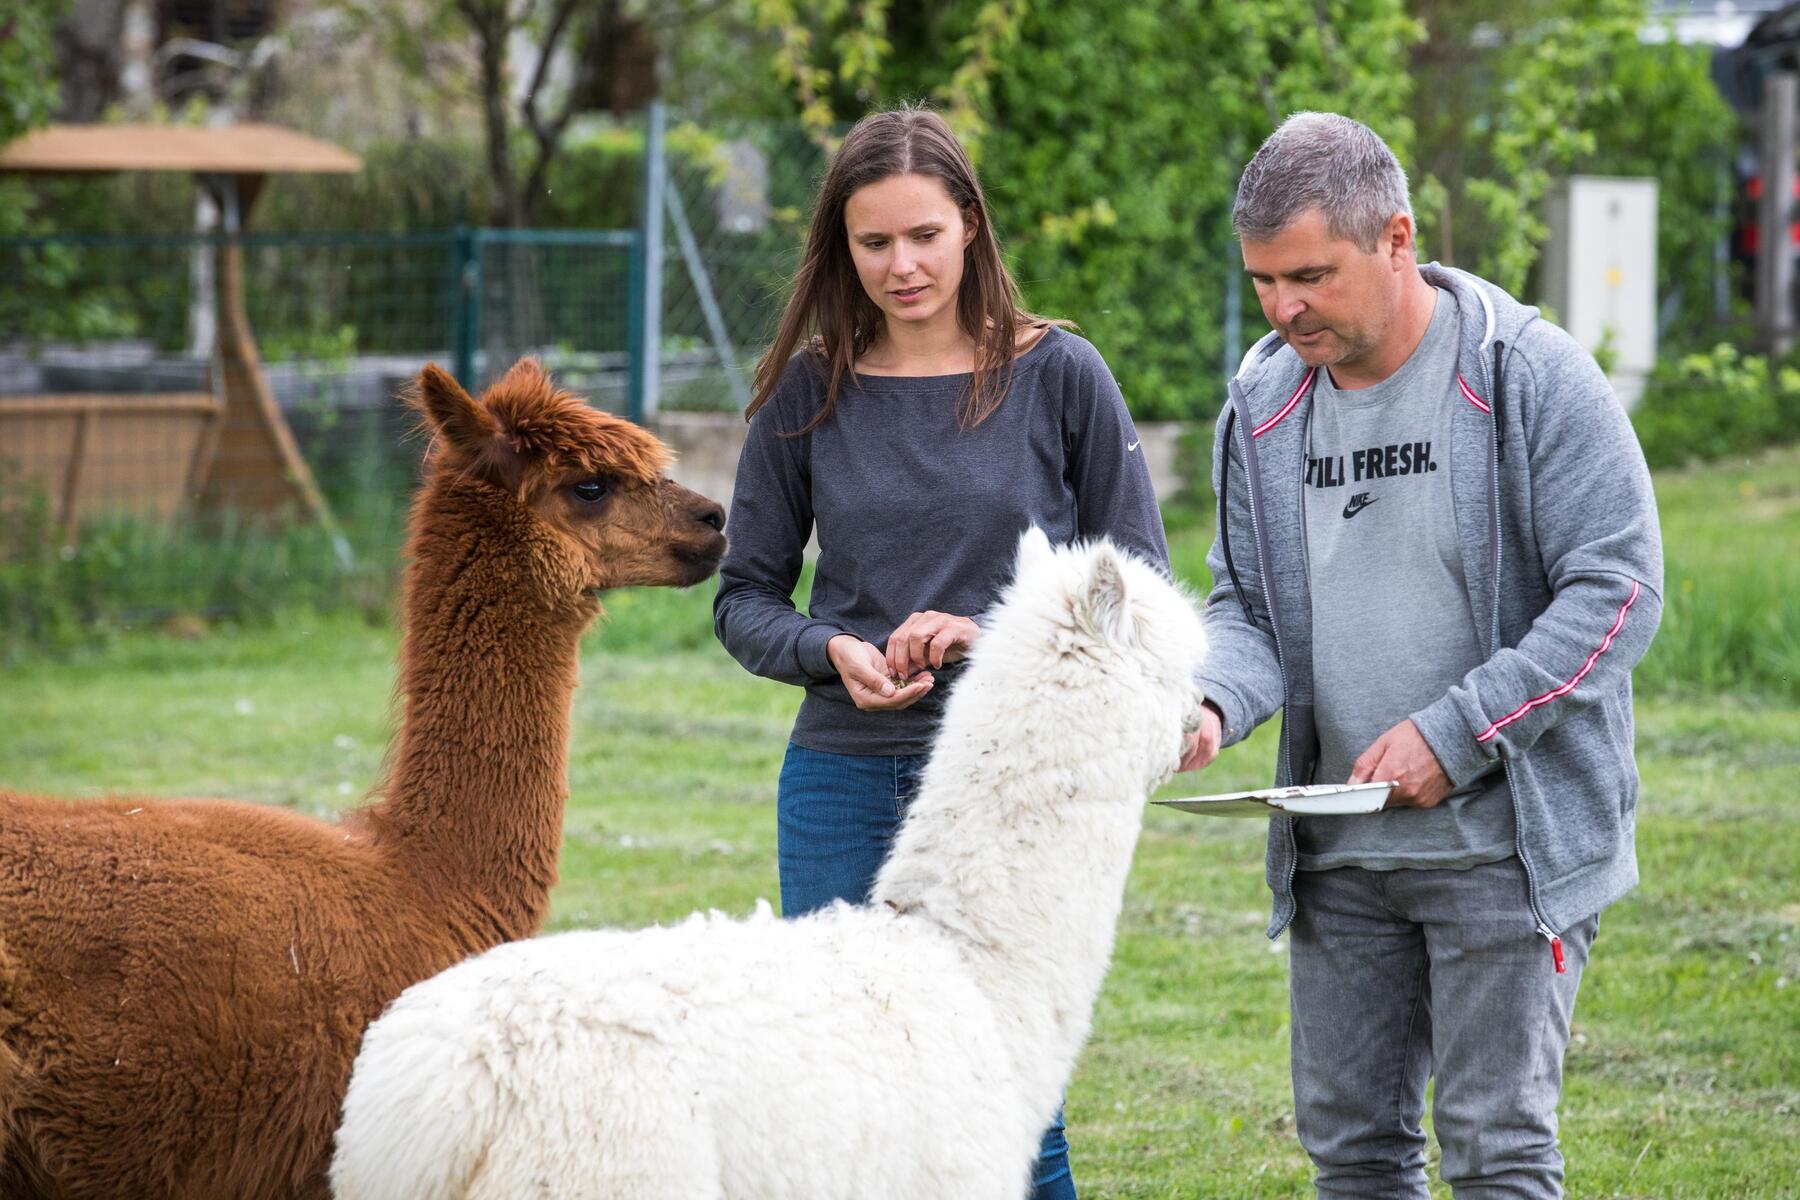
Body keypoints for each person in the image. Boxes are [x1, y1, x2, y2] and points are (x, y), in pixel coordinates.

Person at [1182, 112, 1663, 1198]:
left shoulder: (1528, 373)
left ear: (1397, 238)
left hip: (1506, 848)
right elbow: (1246, 608)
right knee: (1352, 1157)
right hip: (1340, 861)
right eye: (1262, 280)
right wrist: (1208, 702)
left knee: (1497, 1154)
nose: (1283, 306)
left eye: (1309, 274)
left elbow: (1620, 592)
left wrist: (1455, 736)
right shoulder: (1259, 407)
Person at [712, 106, 1168, 1200]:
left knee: (1011, 1106)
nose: (902, 265)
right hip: (844, 774)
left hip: (1018, 787)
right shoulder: (806, 393)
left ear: (970, 225)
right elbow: (744, 600)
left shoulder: (1062, 377)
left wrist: (992, 635)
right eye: (874, 243)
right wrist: (832, 651)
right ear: (841, 247)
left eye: (924, 234)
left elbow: (1136, 591)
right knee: (838, 1092)